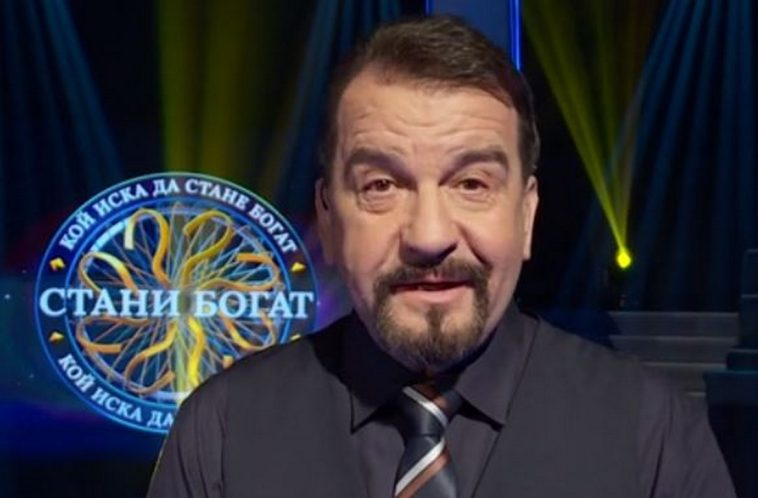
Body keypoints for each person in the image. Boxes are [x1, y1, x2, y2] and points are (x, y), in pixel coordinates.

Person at [147, 15, 735, 498]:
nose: (429, 236)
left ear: (526, 216)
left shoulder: (653, 433)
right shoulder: (221, 430)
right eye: (381, 186)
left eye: (472, 184)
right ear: (327, 218)